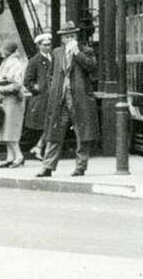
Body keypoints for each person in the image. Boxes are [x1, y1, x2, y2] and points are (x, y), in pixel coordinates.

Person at [36, 22, 99, 178]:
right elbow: (51, 74)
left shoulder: (86, 51)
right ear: (62, 38)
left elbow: (92, 67)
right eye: (66, 36)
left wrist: (77, 53)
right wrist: (53, 90)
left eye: (72, 35)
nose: (69, 38)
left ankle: (80, 167)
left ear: (76, 37)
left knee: (82, 133)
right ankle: (47, 166)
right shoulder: (57, 53)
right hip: (60, 98)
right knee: (54, 132)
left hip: (79, 98)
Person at [0, 40, 27, 168]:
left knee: (11, 129)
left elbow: (17, 84)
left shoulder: (15, 63)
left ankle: (18, 156)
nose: (2, 52)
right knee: (6, 129)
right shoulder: (7, 62)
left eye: (4, 50)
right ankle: (10, 156)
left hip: (13, 99)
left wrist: (1, 88)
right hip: (7, 100)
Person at [22, 32, 55, 159]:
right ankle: (40, 148)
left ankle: (39, 147)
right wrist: (37, 88)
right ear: (39, 46)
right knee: (48, 124)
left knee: (51, 123)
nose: (48, 47)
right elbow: (27, 80)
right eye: (45, 45)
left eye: (49, 44)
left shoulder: (53, 58)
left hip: (52, 96)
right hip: (42, 99)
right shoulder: (35, 61)